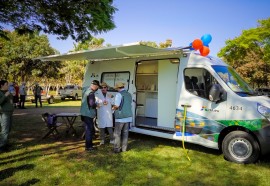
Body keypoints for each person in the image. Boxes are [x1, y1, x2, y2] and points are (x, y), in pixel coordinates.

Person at [112, 82, 132, 153]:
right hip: (128, 116)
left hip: (120, 117)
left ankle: (116, 149)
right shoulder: (129, 94)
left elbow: (117, 106)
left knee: (117, 134)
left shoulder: (119, 94)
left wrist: (112, 108)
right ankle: (124, 149)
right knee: (125, 133)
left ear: (118, 88)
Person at [80, 80, 100, 152]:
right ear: (95, 86)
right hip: (88, 114)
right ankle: (88, 147)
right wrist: (97, 105)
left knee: (87, 129)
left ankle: (89, 144)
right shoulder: (91, 93)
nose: (97, 88)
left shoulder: (86, 90)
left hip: (83, 112)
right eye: (97, 87)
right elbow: (91, 104)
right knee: (89, 130)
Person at [0, 80, 15, 152]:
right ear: (1, 85)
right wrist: (5, 96)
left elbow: (11, 101)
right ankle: (1, 146)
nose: (8, 86)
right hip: (4, 113)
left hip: (10, 112)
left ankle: (5, 143)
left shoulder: (8, 92)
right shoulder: (0, 93)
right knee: (4, 130)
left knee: (8, 129)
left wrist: (12, 95)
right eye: (6, 84)